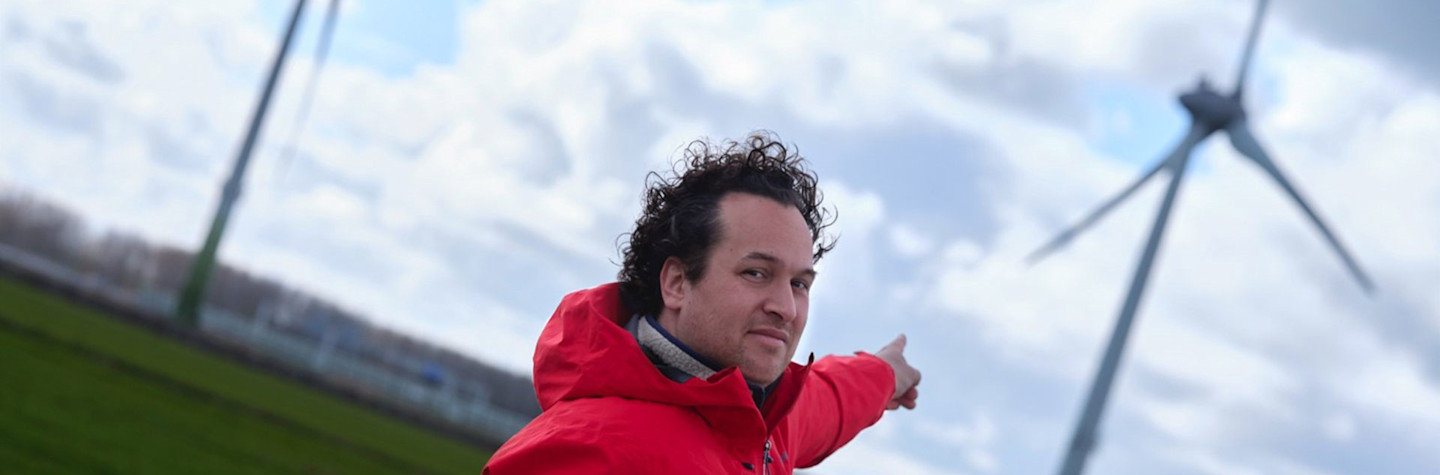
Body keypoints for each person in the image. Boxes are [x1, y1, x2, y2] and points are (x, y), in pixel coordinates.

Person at [483, 132, 922, 474]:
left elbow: (832, 398)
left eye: (799, 283)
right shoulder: (586, 453)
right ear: (676, 282)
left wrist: (886, 372)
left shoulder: (765, 424)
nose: (786, 308)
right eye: (756, 273)